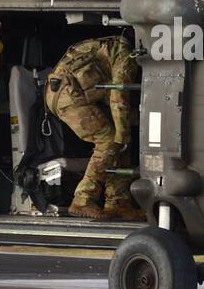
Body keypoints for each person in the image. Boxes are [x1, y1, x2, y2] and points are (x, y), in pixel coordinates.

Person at [45, 34, 142, 220]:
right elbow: (118, 98)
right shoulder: (125, 54)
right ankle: (83, 199)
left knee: (117, 140)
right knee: (110, 139)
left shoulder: (111, 47)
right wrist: (123, 135)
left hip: (66, 92)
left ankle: (118, 202)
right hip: (69, 96)